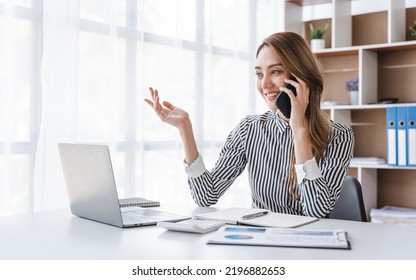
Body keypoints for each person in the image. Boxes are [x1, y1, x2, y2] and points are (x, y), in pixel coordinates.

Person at [144, 32, 354, 218]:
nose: (264, 85)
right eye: (259, 74)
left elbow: (316, 210)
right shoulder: (250, 129)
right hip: (259, 241)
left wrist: (298, 130)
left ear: (300, 76)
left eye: (275, 72)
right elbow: (206, 195)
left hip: (308, 246)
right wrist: (185, 129)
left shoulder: (339, 135)